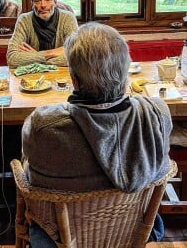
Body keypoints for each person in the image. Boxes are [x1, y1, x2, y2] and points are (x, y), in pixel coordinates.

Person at [21, 22, 173, 246]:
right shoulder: (157, 113)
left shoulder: (43, 126)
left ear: (75, 80)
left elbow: (28, 175)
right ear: (125, 73)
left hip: (59, 236)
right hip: (134, 230)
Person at [7, 0, 78, 68]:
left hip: (61, 77)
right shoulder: (24, 20)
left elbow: (75, 57)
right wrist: (47, 54)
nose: (43, 5)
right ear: (32, 3)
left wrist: (34, 56)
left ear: (55, 2)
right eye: (37, 0)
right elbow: (12, 59)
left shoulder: (68, 18)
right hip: (32, 78)